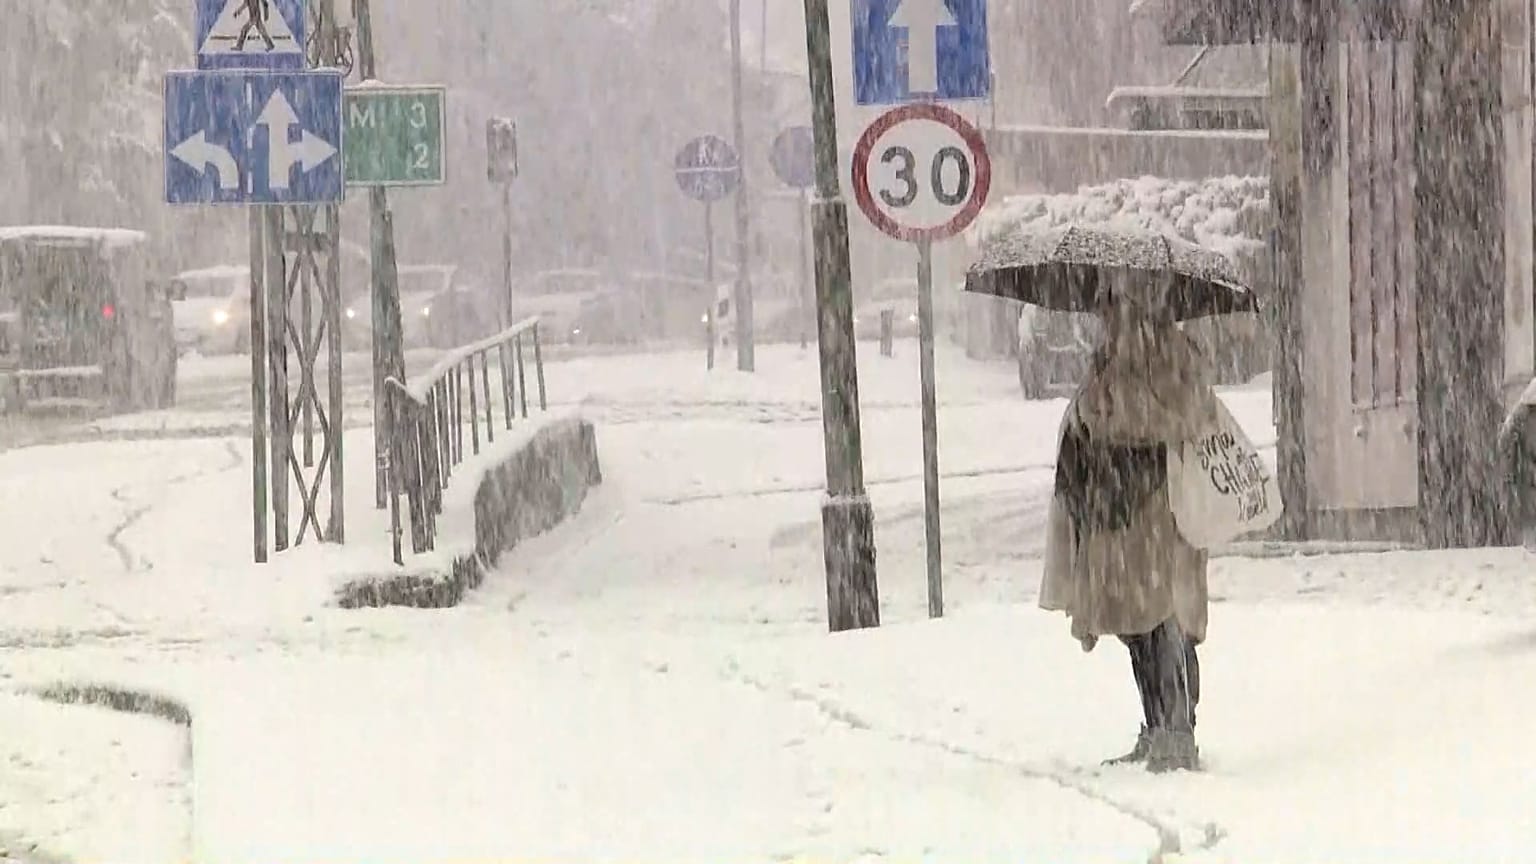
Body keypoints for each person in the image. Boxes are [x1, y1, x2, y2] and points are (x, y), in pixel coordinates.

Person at [1040, 293, 1222, 773]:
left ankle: (1176, 731)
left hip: (1155, 511)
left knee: (1162, 621)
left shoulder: (1167, 359)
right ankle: (1158, 725)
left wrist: (1096, 415)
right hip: (1120, 511)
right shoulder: (1119, 358)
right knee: (1135, 624)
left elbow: (1157, 420)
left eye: (1112, 309)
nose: (1103, 318)